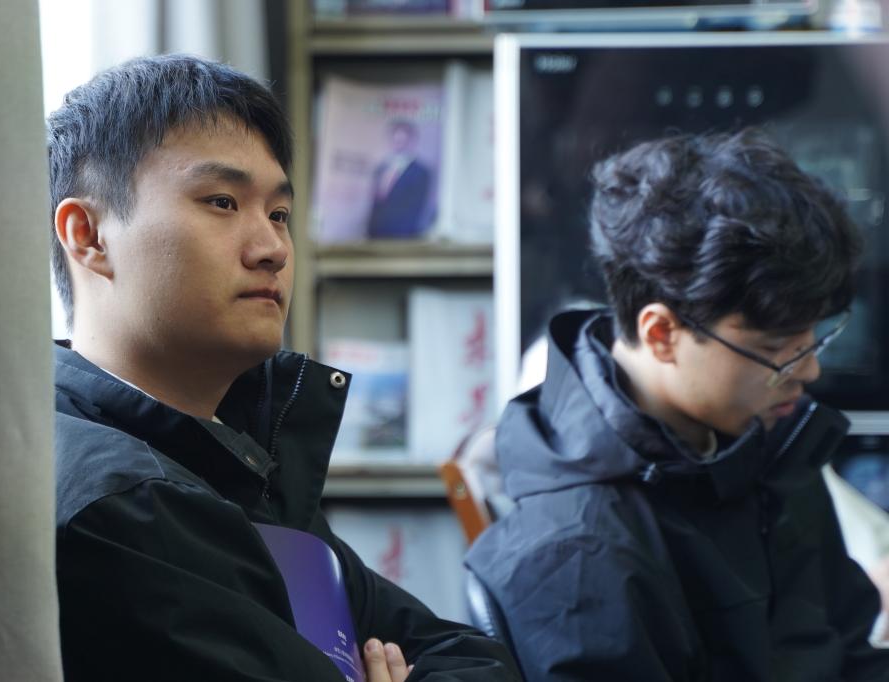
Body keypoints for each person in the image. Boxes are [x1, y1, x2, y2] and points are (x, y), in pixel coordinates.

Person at [47, 55, 520, 682]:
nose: (272, 249)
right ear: (87, 235)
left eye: (278, 214)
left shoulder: (231, 452)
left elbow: (477, 658)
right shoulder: (122, 504)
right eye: (221, 202)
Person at [465, 129, 889, 681]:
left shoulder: (764, 444)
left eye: (815, 340)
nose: (809, 372)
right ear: (662, 334)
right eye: (776, 350)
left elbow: (850, 650)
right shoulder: (576, 559)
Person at [367, 118, 433, 238]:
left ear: (411, 141)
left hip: (402, 236)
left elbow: (417, 209)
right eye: (395, 140)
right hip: (376, 233)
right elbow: (376, 203)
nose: (399, 144)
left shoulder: (421, 172)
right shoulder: (381, 168)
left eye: (403, 141)